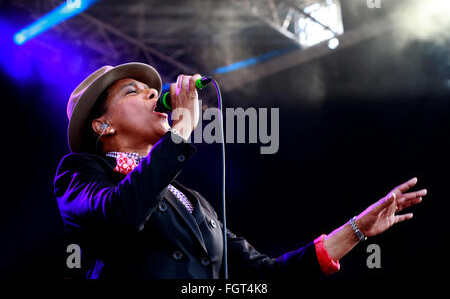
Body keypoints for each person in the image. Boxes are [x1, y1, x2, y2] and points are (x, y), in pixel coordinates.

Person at [54, 62, 427, 279]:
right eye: (133, 92)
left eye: (152, 89)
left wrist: (356, 229)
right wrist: (181, 133)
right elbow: (120, 215)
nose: (155, 93)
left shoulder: (192, 202)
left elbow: (262, 277)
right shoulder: (80, 173)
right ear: (102, 126)